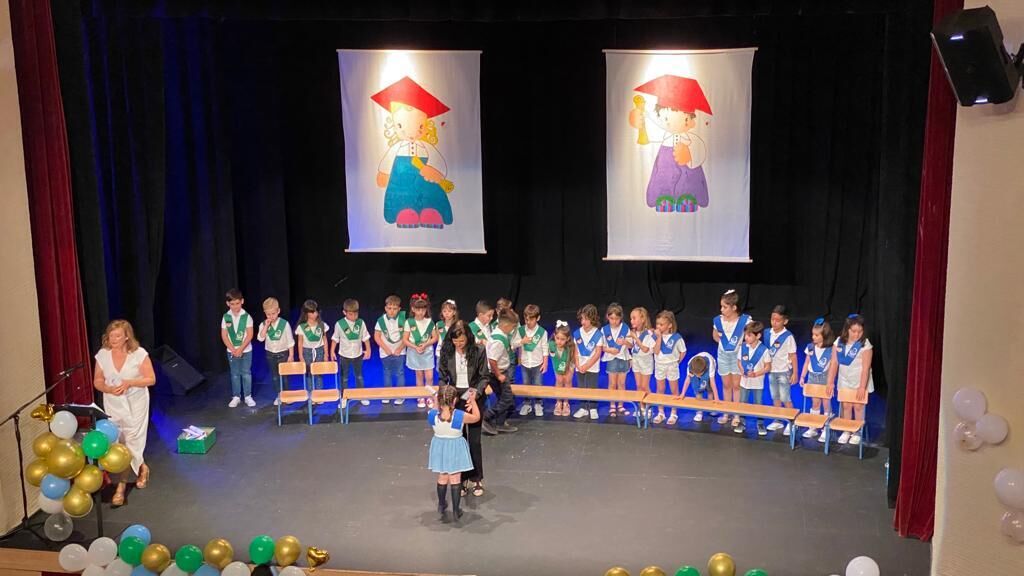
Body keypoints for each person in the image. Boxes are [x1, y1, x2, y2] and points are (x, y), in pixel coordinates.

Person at [92, 320, 156, 507]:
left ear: (127, 337)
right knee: (119, 443)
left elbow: (151, 379)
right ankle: (142, 467)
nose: (113, 339)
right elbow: (98, 380)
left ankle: (120, 488)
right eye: (111, 335)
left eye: (118, 336)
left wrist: (129, 383)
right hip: (114, 405)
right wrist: (108, 389)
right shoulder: (103, 355)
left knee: (131, 443)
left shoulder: (138, 354)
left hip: (136, 404)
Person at [437, 321, 489, 497]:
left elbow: (484, 377)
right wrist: (445, 398)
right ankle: (463, 479)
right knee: (460, 440)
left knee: (474, 441)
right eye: (455, 341)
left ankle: (477, 478)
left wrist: (475, 394)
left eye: (461, 341)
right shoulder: (446, 351)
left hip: (473, 396)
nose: (458, 345)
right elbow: (442, 377)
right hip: (455, 397)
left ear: (468, 337)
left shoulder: (479, 350)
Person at [428, 385, 481, 522]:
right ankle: (456, 510)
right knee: (455, 477)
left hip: (440, 448)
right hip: (455, 448)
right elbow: (476, 417)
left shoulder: (432, 415)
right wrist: (473, 401)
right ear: (455, 400)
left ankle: (441, 504)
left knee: (442, 476)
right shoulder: (459, 415)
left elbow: (435, 409)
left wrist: (435, 400)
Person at [827, 314, 874, 445]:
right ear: (847, 329)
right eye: (854, 331)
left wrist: (862, 387)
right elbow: (834, 363)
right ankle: (846, 430)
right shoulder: (838, 342)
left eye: (860, 331)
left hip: (860, 380)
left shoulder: (865, 344)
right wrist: (830, 382)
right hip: (844, 379)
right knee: (846, 406)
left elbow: (865, 368)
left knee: (858, 406)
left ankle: (857, 432)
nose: (857, 334)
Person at [713, 289, 750, 428]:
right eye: (721, 306)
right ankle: (726, 412)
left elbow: (750, 337)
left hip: (738, 356)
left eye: (724, 307)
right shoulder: (718, 320)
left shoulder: (745, 321)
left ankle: (736, 414)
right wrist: (722, 342)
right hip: (723, 356)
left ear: (734, 308)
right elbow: (715, 335)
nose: (721, 309)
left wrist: (742, 346)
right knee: (726, 385)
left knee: (736, 386)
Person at [484, 309, 520, 434]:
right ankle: (487, 417)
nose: (513, 329)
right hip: (497, 373)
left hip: (500, 371)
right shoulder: (498, 340)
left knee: (502, 397)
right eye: (512, 327)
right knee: (507, 399)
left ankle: (500, 423)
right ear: (506, 325)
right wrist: (499, 375)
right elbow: (492, 359)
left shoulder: (500, 334)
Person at [330, 298, 371, 405]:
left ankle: (361, 396)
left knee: (359, 376)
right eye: (351, 314)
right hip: (344, 355)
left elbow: (365, 337)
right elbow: (335, 339)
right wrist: (332, 351)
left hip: (358, 355)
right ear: (344, 312)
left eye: (355, 314)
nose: (353, 317)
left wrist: (368, 350)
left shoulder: (361, 323)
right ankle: (344, 397)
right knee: (344, 378)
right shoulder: (339, 324)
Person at [800, 318, 836, 440]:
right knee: (815, 403)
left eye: (816, 335)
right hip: (812, 377)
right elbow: (806, 363)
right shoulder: (810, 347)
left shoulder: (831, 349)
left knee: (826, 403)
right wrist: (802, 376)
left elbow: (833, 366)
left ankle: (826, 428)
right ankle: (813, 427)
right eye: (813, 334)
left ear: (824, 335)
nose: (813, 337)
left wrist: (831, 382)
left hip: (825, 377)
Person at [765, 305, 798, 436]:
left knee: (785, 397)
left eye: (778, 320)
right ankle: (777, 419)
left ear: (785, 321)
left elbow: (793, 355)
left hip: (784, 371)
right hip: (771, 371)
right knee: (775, 397)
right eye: (772, 319)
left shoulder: (788, 336)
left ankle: (792, 421)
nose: (774, 322)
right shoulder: (767, 333)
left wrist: (795, 373)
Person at [257, 297, 295, 407]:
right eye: (268, 314)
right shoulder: (263, 324)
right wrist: (266, 326)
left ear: (278, 311)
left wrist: (291, 355)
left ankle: (287, 395)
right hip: (270, 354)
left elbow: (290, 341)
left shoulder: (284, 324)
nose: (271, 316)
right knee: (275, 377)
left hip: (283, 353)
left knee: (285, 377)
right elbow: (260, 338)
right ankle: (279, 395)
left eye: (273, 314)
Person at [736, 320, 771, 436]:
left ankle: (760, 423)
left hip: (757, 383)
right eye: (745, 335)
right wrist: (742, 370)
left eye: (749, 335)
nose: (746, 337)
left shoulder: (764, 350)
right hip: (744, 382)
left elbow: (768, 367)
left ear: (758, 336)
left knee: (758, 404)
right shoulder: (742, 347)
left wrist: (756, 374)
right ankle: (741, 422)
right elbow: (739, 361)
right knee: (743, 403)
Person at [221, 288, 255, 408]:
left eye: (237, 303)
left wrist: (240, 349)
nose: (235, 306)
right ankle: (236, 396)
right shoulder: (226, 317)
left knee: (246, 373)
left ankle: (248, 396)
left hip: (246, 350)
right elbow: (224, 335)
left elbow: (250, 335)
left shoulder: (247, 317)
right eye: (232, 304)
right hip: (231, 351)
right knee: (235, 374)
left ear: (242, 301)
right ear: (228, 303)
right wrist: (233, 349)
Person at [652, 310, 686, 425]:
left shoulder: (677, 337)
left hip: (672, 365)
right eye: (657, 324)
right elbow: (656, 351)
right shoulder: (655, 337)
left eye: (661, 324)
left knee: (674, 389)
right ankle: (660, 412)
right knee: (660, 389)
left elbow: (683, 351)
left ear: (670, 325)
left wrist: (677, 362)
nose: (658, 326)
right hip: (659, 365)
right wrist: (659, 338)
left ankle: (673, 413)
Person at [405, 293, 439, 409]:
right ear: (413, 309)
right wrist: (415, 347)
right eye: (418, 309)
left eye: (423, 310)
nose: (420, 312)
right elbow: (405, 339)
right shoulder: (409, 322)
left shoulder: (429, 322)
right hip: (415, 352)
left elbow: (435, 338)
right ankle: (420, 396)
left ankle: (429, 396)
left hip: (427, 352)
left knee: (429, 376)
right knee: (419, 376)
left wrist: (425, 344)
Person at [572, 304, 604, 420]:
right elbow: (575, 351)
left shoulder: (597, 334)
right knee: (581, 387)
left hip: (592, 367)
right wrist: (578, 364)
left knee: (592, 388)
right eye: (582, 319)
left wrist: (587, 365)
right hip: (580, 367)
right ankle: (583, 408)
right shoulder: (577, 333)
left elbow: (598, 353)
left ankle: (593, 408)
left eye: (586, 319)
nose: (583, 322)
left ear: (593, 319)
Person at [374, 294, 407, 404]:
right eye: (389, 308)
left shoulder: (403, 319)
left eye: (394, 308)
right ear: (385, 308)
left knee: (399, 372)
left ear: (399, 309)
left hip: (400, 351)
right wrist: (386, 348)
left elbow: (407, 336)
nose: (392, 311)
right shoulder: (381, 320)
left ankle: (400, 395)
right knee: (387, 372)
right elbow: (377, 336)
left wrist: (400, 348)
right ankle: (387, 394)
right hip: (385, 352)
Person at [517, 304, 548, 417]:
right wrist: (519, 358)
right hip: (525, 363)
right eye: (526, 319)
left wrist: (545, 363)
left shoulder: (542, 332)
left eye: (531, 319)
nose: (528, 322)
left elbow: (545, 348)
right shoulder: (520, 330)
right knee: (526, 384)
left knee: (538, 384)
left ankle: (538, 404)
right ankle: (527, 403)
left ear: (538, 318)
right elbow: (518, 346)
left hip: (537, 363)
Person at [602, 303, 631, 417]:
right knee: (612, 383)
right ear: (607, 317)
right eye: (612, 318)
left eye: (617, 319)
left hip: (623, 358)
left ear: (621, 318)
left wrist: (625, 342)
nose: (614, 321)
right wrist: (610, 350)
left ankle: (620, 405)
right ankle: (612, 405)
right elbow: (602, 347)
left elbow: (631, 345)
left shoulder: (625, 328)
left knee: (622, 383)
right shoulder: (604, 330)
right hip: (611, 359)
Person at [627, 307, 656, 418]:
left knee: (645, 386)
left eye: (634, 318)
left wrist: (635, 337)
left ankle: (649, 408)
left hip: (646, 362)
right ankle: (641, 407)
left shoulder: (649, 333)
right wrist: (625, 342)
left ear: (643, 319)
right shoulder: (633, 332)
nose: (631, 321)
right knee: (638, 385)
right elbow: (632, 346)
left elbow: (645, 349)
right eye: (631, 318)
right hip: (636, 360)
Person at [295, 299, 329, 390]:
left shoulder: (322, 325)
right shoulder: (302, 327)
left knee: (319, 372)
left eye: (316, 312)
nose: (315, 314)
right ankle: (310, 392)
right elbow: (300, 342)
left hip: (319, 350)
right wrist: (301, 356)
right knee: (308, 373)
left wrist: (326, 354)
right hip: (307, 351)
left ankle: (319, 392)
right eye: (312, 312)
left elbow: (325, 339)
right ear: (306, 313)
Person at [679, 352, 718, 422]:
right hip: (696, 370)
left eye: (699, 374)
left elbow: (713, 382)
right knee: (697, 390)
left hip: (708, 368)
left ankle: (711, 407)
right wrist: (682, 394)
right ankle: (699, 412)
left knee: (709, 389)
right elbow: (687, 380)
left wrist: (717, 398)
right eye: (697, 374)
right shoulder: (691, 366)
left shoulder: (710, 365)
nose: (698, 376)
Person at [549, 320, 577, 416]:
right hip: (557, 366)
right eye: (557, 338)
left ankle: (566, 403)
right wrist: (557, 370)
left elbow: (573, 360)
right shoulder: (551, 345)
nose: (559, 341)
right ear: (554, 336)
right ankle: (558, 402)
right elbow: (552, 358)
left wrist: (571, 370)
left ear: (567, 338)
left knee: (567, 381)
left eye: (562, 339)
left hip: (568, 366)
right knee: (559, 381)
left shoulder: (570, 347)